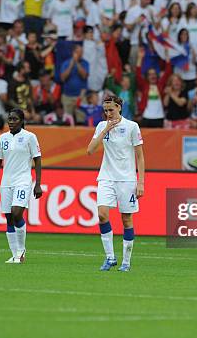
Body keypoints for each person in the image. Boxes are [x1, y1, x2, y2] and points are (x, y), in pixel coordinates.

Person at [86, 92, 145, 272]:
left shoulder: (132, 127)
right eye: (105, 110)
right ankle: (110, 257)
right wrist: (105, 130)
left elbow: (140, 157)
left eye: (111, 109)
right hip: (106, 177)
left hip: (127, 179)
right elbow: (90, 151)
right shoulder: (101, 126)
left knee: (126, 219)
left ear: (119, 107)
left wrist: (140, 182)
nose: (108, 113)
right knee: (102, 214)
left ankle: (126, 262)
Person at [0, 109, 43, 264]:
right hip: (6, 182)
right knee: (8, 217)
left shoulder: (30, 137)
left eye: (14, 119)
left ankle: (21, 249)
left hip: (23, 180)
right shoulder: (2, 138)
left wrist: (38, 184)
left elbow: (37, 159)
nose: (11, 122)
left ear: (22, 121)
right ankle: (15, 255)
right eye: (9, 119)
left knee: (17, 212)